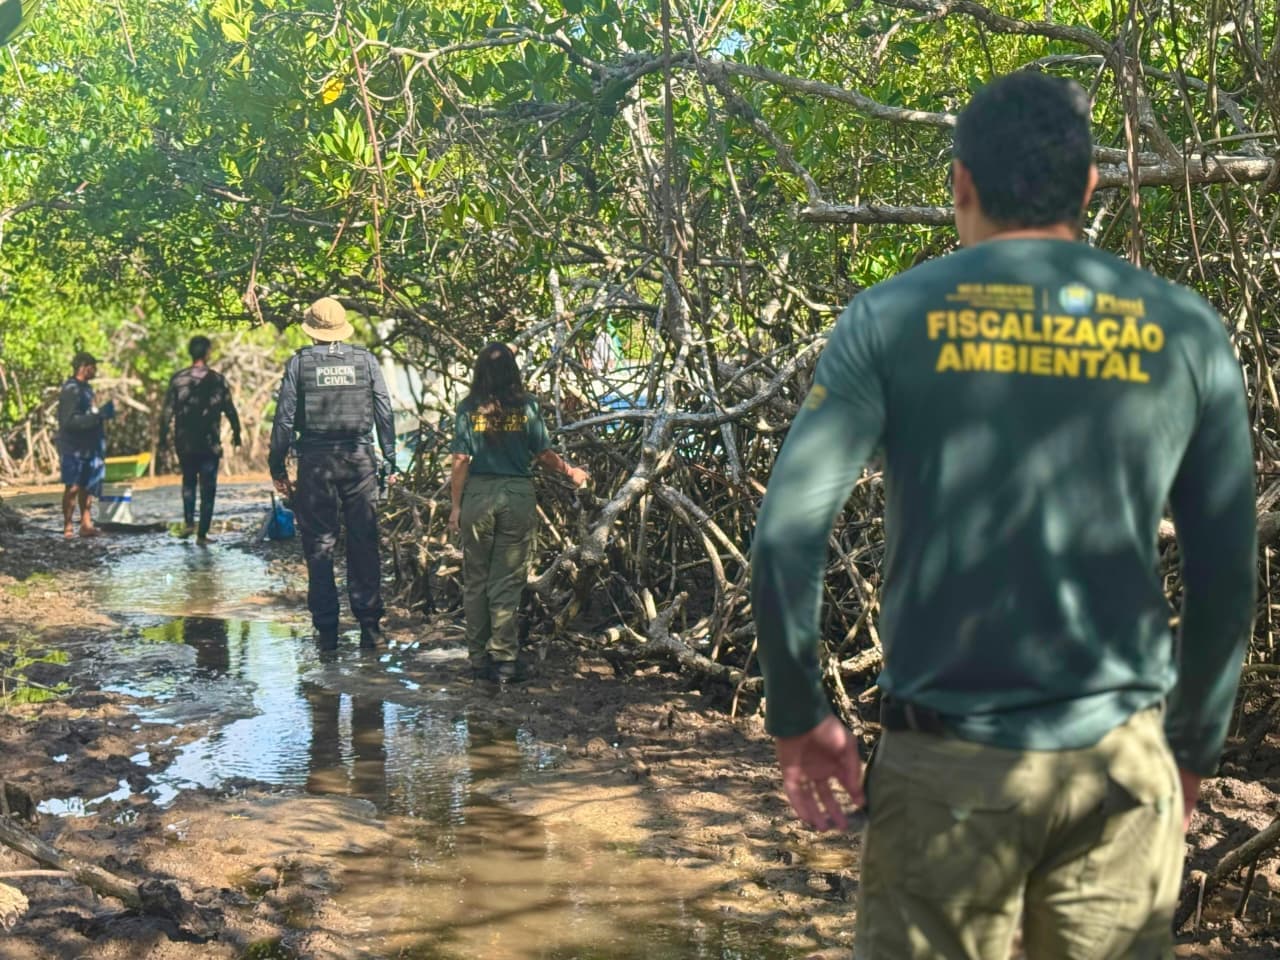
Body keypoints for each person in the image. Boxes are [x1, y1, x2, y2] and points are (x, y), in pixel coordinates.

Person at [750, 72, 1257, 959]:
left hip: (944, 770)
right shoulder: (1185, 331)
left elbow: (788, 536)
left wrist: (800, 715)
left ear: (959, 185)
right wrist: (1189, 749)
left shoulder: (888, 320)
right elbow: (1228, 576)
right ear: (1091, 190)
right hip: (1121, 774)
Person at [448, 342, 589, 683]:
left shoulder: (468, 408)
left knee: (476, 581)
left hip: (478, 496)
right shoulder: (526, 407)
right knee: (507, 581)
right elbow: (543, 454)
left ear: (479, 371)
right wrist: (571, 472)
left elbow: (460, 460)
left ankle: (479, 659)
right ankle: (505, 660)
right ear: (513, 371)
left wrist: (455, 506)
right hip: (516, 495)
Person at [268, 297, 398, 650]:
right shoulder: (365, 361)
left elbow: (284, 419)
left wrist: (276, 466)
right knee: (363, 542)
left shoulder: (300, 364)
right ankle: (370, 628)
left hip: (315, 464)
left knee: (319, 545)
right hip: (360, 461)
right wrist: (390, 458)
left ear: (312, 331)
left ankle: (327, 633)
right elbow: (384, 410)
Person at [159, 335, 242, 545]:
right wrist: (237, 433)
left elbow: (166, 412)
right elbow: (230, 410)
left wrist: (162, 439)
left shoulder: (178, 379)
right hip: (209, 443)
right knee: (208, 487)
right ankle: (202, 535)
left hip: (184, 442)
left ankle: (188, 523)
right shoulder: (217, 380)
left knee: (188, 481)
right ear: (207, 353)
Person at [56, 351, 114, 539]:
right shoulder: (70, 389)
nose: (95, 370)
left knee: (87, 486)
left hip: (90, 445)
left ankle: (86, 524)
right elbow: (68, 421)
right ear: (84, 367)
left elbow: (90, 412)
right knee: (72, 486)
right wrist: (96, 417)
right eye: (93, 366)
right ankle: (67, 526)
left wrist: (100, 413)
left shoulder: (87, 389)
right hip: (73, 445)